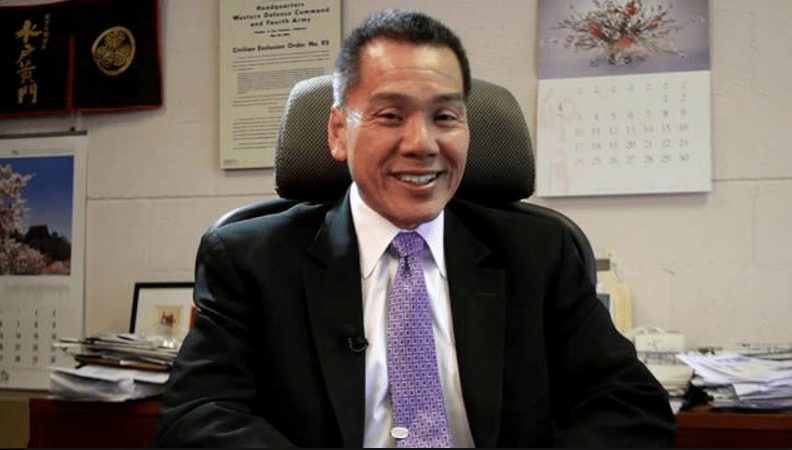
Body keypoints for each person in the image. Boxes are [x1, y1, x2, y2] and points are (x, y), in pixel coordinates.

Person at [155, 9, 675, 447]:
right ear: (338, 132)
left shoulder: (539, 253)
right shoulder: (250, 260)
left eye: (445, 117)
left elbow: (630, 404)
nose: (422, 144)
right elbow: (198, 415)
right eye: (390, 115)